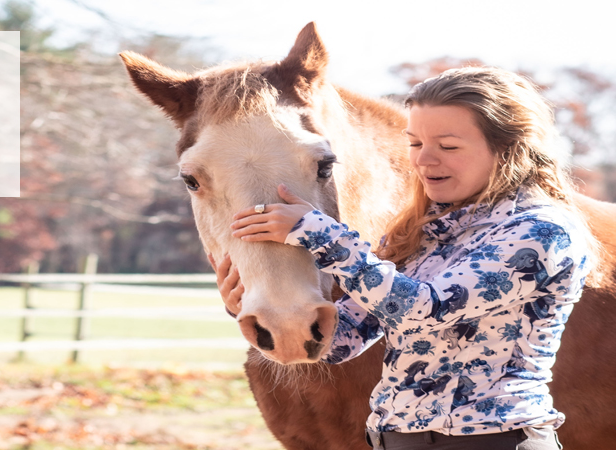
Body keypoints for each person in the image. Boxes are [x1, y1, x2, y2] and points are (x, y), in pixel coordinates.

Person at [215, 67, 595, 450]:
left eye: (448, 146)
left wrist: (320, 233)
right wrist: (252, 306)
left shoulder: (541, 232)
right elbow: (342, 342)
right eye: (414, 143)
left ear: (509, 149)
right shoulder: (425, 230)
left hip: (492, 440)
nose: (424, 160)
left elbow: (426, 310)